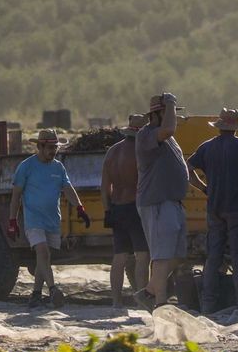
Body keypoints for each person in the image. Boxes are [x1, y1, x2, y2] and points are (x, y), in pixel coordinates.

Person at [187, 107, 238, 313]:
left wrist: (204, 188)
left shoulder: (207, 147)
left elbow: (188, 168)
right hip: (237, 207)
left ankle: (208, 304)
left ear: (219, 126)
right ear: (236, 127)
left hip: (214, 207)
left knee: (213, 257)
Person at [133, 92, 203, 309]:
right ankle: (160, 303)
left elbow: (185, 168)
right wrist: (171, 102)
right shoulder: (147, 135)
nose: (173, 115)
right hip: (156, 201)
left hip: (172, 202)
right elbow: (169, 128)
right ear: (158, 113)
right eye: (170, 111)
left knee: (177, 254)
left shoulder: (169, 140)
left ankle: (149, 291)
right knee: (162, 255)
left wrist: (202, 188)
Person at [8, 129, 90, 308]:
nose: (54, 151)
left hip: (52, 220)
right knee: (43, 252)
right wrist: (12, 221)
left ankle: (35, 295)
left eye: (56, 147)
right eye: (50, 147)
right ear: (40, 146)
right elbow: (16, 195)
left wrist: (80, 207)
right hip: (33, 220)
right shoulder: (26, 166)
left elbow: (68, 188)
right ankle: (53, 290)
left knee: (43, 259)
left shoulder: (58, 167)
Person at [101, 113, 150, 307]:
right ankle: (142, 300)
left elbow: (105, 187)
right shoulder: (141, 151)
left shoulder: (112, 152)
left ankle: (116, 301)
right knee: (142, 255)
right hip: (135, 208)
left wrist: (107, 210)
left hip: (116, 207)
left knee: (119, 257)